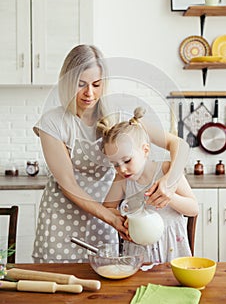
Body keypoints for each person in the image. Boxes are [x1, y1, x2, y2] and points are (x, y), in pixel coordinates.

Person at [32, 44, 190, 263]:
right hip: (62, 218)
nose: (90, 93)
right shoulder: (53, 122)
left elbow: (179, 145)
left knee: (103, 281)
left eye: (96, 84)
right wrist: (111, 218)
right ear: (68, 83)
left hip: (107, 217)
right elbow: (68, 184)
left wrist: (169, 183)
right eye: (81, 85)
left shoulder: (121, 114)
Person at [100, 107, 199, 263]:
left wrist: (170, 197)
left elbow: (193, 209)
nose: (122, 169)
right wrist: (122, 221)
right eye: (115, 164)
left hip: (172, 245)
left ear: (145, 150)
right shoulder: (121, 180)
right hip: (139, 250)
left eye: (127, 160)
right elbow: (107, 207)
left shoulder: (166, 169)